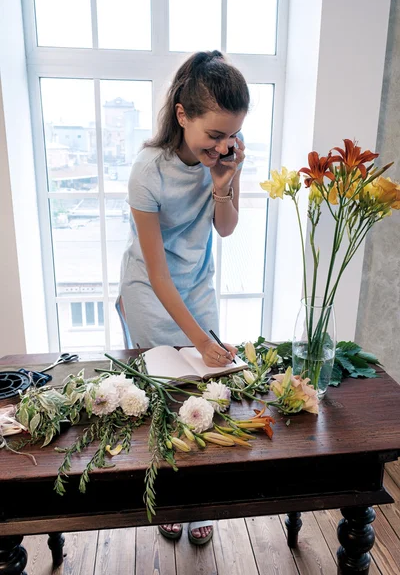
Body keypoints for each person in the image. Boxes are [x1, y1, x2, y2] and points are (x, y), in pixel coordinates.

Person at [118, 50, 249, 545]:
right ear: (181, 115)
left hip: (197, 284)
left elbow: (227, 228)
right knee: (167, 397)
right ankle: (171, 498)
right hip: (151, 291)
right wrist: (201, 340)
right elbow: (156, 272)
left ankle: (203, 501)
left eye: (231, 134)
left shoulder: (227, 159)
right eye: (213, 135)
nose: (223, 145)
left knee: (206, 397)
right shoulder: (147, 172)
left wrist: (223, 182)